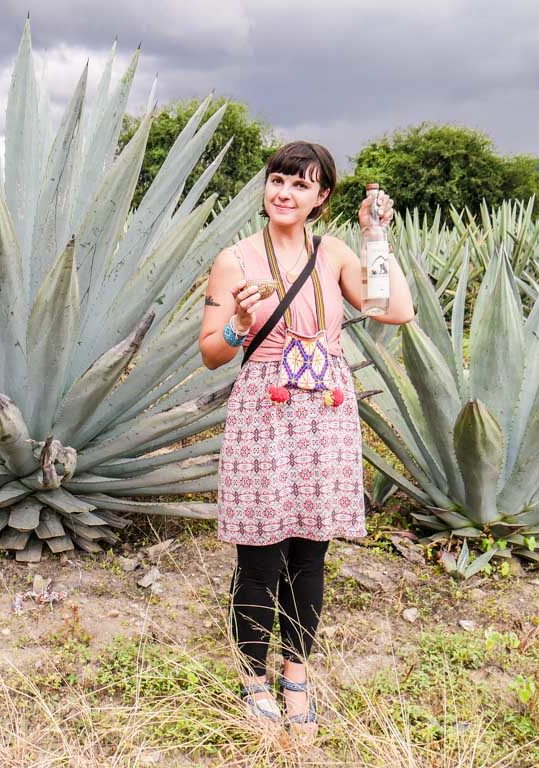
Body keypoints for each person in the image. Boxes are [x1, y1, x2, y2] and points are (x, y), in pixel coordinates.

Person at [198, 141, 414, 734]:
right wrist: (240, 328)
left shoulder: (335, 252)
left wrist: (376, 238)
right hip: (264, 415)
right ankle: (253, 677)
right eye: (276, 180)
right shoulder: (235, 260)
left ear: (321, 197)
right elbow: (212, 352)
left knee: (310, 555)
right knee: (261, 554)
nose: (284, 192)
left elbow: (395, 309)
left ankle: (296, 674)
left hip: (325, 414)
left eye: (300, 183)